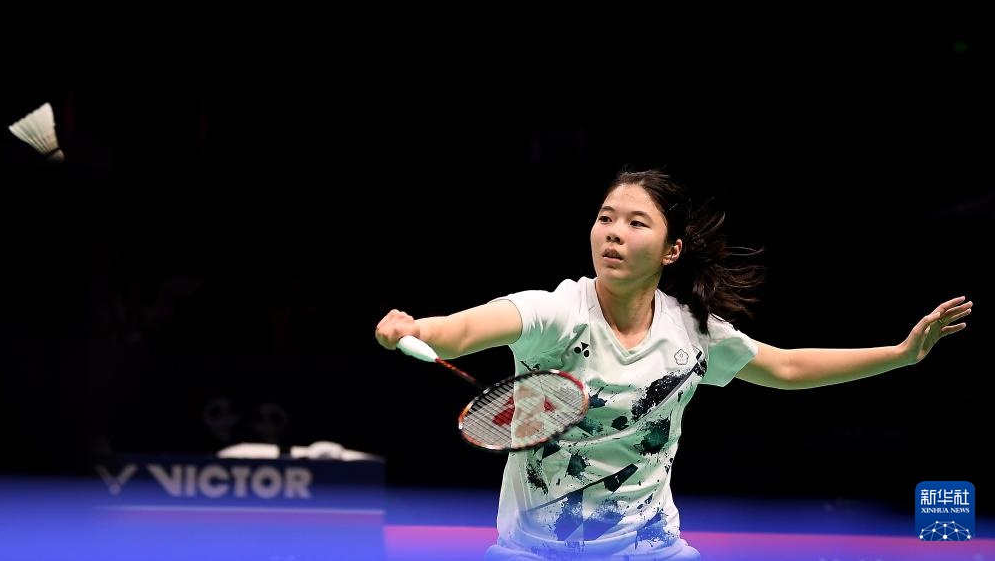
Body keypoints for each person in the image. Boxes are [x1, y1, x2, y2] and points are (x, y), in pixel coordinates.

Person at [374, 168, 972, 561]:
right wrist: (414, 329)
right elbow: (460, 332)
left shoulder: (691, 331)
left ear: (671, 249)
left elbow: (786, 367)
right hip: (534, 549)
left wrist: (900, 355)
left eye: (636, 223)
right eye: (605, 217)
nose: (613, 233)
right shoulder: (555, 312)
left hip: (651, 548)